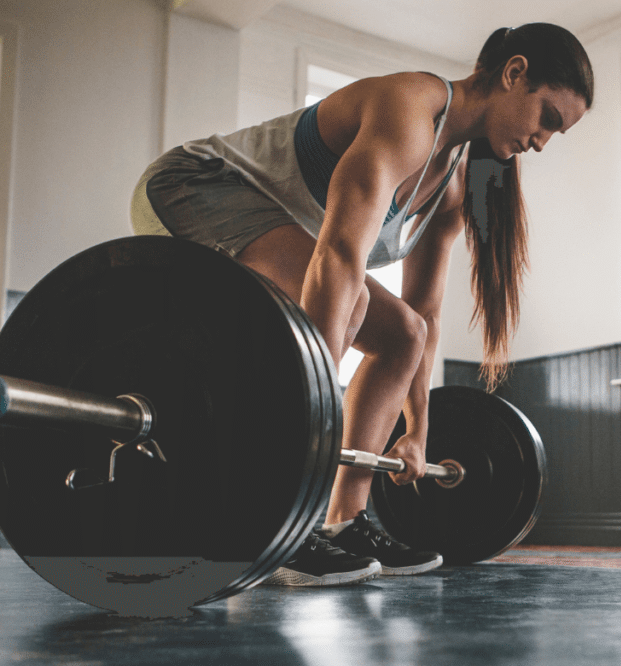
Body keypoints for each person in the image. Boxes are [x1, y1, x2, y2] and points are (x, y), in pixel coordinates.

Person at [130, 23, 594, 586]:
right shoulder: (409, 108)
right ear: (514, 73)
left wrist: (419, 428)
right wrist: (315, 409)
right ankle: (282, 521)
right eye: (547, 117)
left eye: (556, 133)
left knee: (402, 333)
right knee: (343, 310)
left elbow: (423, 313)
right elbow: (340, 258)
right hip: (193, 187)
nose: (542, 141)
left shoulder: (449, 185)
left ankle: (345, 520)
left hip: (282, 234)